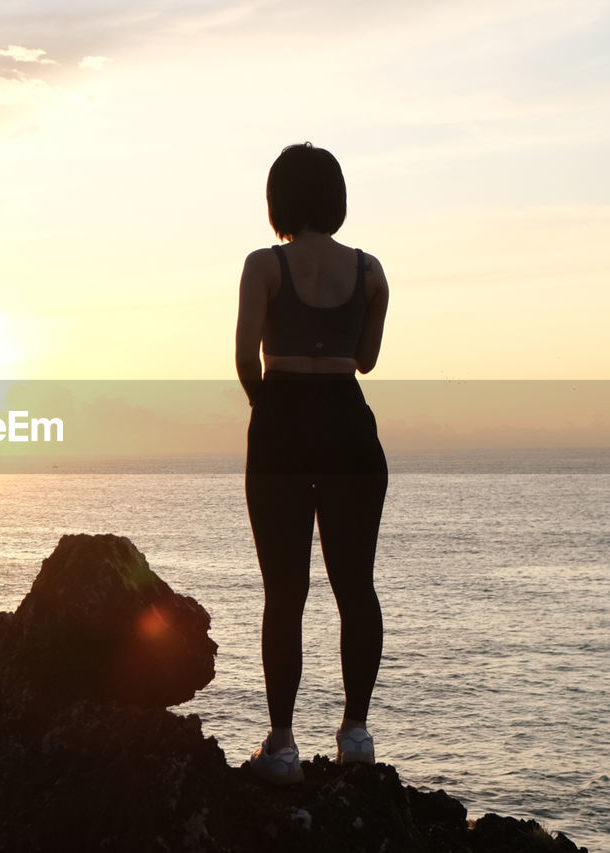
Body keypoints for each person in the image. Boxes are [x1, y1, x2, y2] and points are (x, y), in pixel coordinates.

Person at [234, 142, 390, 785]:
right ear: (336, 199)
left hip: (284, 427)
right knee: (356, 589)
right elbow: (368, 357)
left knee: (285, 594)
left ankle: (282, 745)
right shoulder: (371, 270)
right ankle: (356, 734)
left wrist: (267, 408)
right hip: (351, 427)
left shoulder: (264, 265)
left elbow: (246, 357)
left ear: (278, 199)